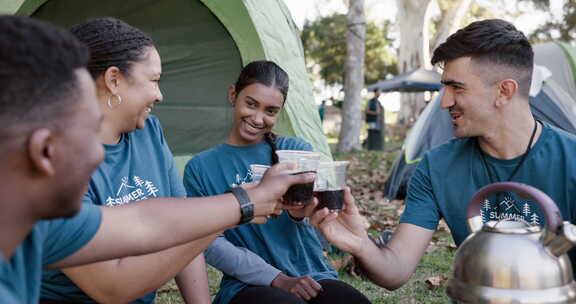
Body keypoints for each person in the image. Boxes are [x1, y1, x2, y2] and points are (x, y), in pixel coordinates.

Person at [0, 15, 313, 303]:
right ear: (42, 150)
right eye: (86, 128)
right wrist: (241, 205)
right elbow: (116, 279)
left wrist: (245, 202)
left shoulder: (42, 222)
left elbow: (145, 223)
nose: (98, 155)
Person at [310, 18, 576, 289]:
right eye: (444, 88)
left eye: (456, 88)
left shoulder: (571, 158)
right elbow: (395, 270)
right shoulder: (437, 166)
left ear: (504, 91)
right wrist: (360, 243)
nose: (445, 102)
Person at [38, 17, 212, 304]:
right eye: (154, 81)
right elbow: (111, 287)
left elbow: (183, 228)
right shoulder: (49, 161)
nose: (160, 95)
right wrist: (235, 209)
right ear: (114, 80)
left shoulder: (149, 132)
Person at [184, 61, 372, 304]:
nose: (258, 118)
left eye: (270, 111)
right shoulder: (201, 168)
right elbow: (211, 244)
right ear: (233, 95)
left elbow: (319, 226)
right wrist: (278, 279)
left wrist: (300, 215)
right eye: (251, 104)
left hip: (314, 277)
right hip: (248, 286)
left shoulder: (296, 152)